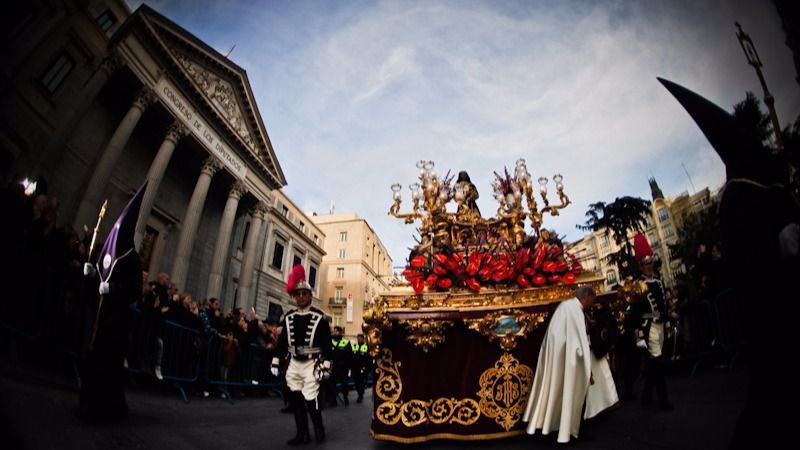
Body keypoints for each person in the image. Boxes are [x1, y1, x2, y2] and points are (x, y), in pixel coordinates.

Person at [659, 77, 799, 448]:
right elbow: (740, 253)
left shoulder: (762, 189)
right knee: (771, 390)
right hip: (767, 298)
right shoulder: (739, 194)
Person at [78, 182, 147, 421]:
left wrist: (113, 288)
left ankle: (107, 409)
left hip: (117, 321)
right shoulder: (109, 254)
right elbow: (98, 283)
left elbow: (135, 290)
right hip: (102, 315)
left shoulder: (132, 259)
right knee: (94, 359)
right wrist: (90, 275)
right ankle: (87, 405)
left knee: (109, 364)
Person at [523, 285, 618, 443]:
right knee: (576, 395)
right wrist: (586, 366)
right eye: (592, 300)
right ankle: (576, 431)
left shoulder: (567, 307)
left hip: (562, 358)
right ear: (586, 297)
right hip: (571, 362)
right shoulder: (574, 311)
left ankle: (565, 427)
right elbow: (578, 344)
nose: (592, 304)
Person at [271, 265, 332, 445]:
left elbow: (327, 346)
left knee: (311, 399)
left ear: (310, 296)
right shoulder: (289, 317)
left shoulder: (320, 318)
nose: (301, 297)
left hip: (312, 364)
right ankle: (302, 433)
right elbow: (282, 344)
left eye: (304, 293)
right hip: (293, 364)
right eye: (298, 294)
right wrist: (276, 361)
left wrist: (327, 365)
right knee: (296, 401)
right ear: (294, 296)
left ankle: (319, 428)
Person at [629, 234, 673, 411]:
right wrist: (639, 333)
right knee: (658, 361)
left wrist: (668, 323)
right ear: (641, 266)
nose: (649, 266)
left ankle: (647, 395)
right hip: (649, 327)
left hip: (661, 324)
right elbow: (635, 313)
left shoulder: (658, 282)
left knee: (655, 363)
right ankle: (663, 399)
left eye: (650, 263)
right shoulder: (639, 285)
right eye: (645, 264)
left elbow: (663, 304)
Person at [328, 325, 351, 406]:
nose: (334, 332)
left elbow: (349, 355)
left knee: (344, 383)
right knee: (332, 383)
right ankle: (333, 400)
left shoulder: (346, 342)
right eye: (334, 331)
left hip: (343, 367)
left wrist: (347, 365)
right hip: (333, 367)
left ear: (341, 332)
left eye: (336, 331)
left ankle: (345, 397)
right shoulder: (330, 342)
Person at [350, 333, 370, 403]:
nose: (358, 340)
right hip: (355, 368)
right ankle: (360, 393)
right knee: (356, 383)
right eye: (357, 338)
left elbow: (368, 359)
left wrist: (367, 369)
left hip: (362, 368)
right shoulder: (355, 346)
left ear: (363, 339)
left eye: (360, 338)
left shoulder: (366, 347)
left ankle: (360, 395)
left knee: (361, 382)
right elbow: (351, 357)